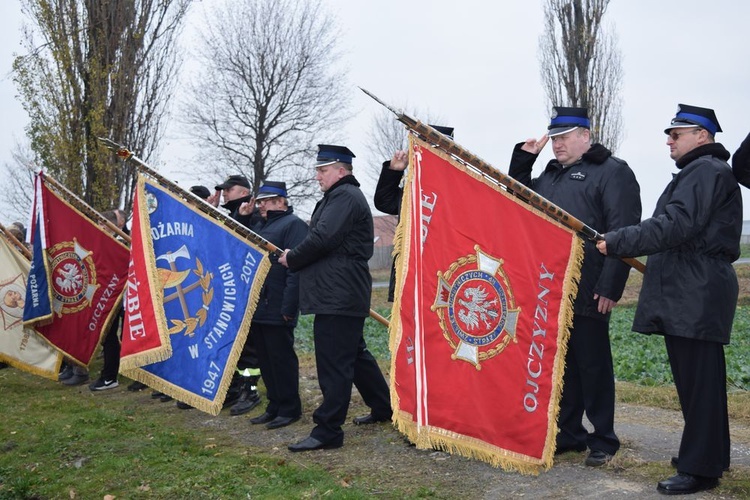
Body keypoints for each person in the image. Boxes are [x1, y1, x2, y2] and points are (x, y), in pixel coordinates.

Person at [596, 104, 739, 495]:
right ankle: (708, 454)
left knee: (700, 382)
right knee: (697, 382)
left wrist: (620, 240)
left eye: (677, 134)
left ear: (702, 136)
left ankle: (702, 469)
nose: (669, 140)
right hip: (693, 288)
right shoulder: (699, 173)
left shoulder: (706, 171)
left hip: (698, 288)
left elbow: (676, 225)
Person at [508, 106, 641, 467]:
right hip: (550, 284)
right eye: (553, 138)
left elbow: (623, 231)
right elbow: (519, 201)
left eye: (564, 137)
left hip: (590, 283)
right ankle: (569, 434)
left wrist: (611, 285)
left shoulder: (613, 172)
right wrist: (523, 160)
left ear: (586, 135)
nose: (556, 145)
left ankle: (603, 438)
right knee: (561, 363)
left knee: (593, 363)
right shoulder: (550, 176)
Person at [279, 144, 392, 452]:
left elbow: (322, 238)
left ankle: (328, 430)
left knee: (333, 363)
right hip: (342, 292)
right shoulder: (340, 197)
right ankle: (384, 407)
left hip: (338, 294)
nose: (317, 176)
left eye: (323, 170)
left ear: (341, 170)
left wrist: (294, 258)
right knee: (354, 355)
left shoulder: (343, 197)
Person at [235, 181, 308, 429]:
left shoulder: (293, 225)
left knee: (281, 360)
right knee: (265, 360)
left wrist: (289, 307)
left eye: (266, 201)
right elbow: (240, 244)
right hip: (258, 305)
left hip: (278, 306)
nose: (261, 205)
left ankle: (289, 408)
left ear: (280, 201)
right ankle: (274, 405)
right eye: (260, 201)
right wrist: (243, 219)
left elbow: (296, 269)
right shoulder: (260, 225)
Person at [374, 125, 454, 302]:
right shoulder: (414, 188)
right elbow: (384, 202)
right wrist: (394, 172)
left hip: (443, 279)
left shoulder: (457, 189)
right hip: (411, 278)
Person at [209, 174, 263, 413]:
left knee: (249, 347)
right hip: (229, 291)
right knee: (234, 345)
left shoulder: (253, 213)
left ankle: (250, 391)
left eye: (228, 190)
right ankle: (234, 388)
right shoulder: (231, 214)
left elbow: (249, 244)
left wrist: (243, 218)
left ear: (242, 192)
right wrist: (208, 212)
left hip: (246, 292)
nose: (224, 195)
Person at [89, 209, 128, 391]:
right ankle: (110, 372)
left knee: (112, 336)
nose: (99, 227)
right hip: (105, 296)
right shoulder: (102, 243)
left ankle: (110, 376)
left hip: (118, 297)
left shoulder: (120, 244)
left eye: (102, 224)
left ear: (110, 225)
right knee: (106, 337)